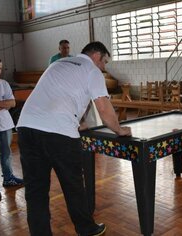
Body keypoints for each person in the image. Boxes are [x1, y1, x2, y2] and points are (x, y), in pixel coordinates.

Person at [17, 42, 132, 236]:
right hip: (59, 135)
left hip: (26, 127)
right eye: (104, 62)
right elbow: (103, 107)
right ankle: (87, 230)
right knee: (74, 186)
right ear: (96, 55)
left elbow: (52, 96)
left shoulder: (58, 64)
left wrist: (76, 123)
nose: (104, 67)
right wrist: (119, 129)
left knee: (35, 192)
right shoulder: (91, 70)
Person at [0, 56, 24, 199]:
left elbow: (12, 103)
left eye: (0, 69)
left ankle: (8, 178)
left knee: (7, 155)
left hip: (6, 125)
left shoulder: (4, 83)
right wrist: (3, 103)